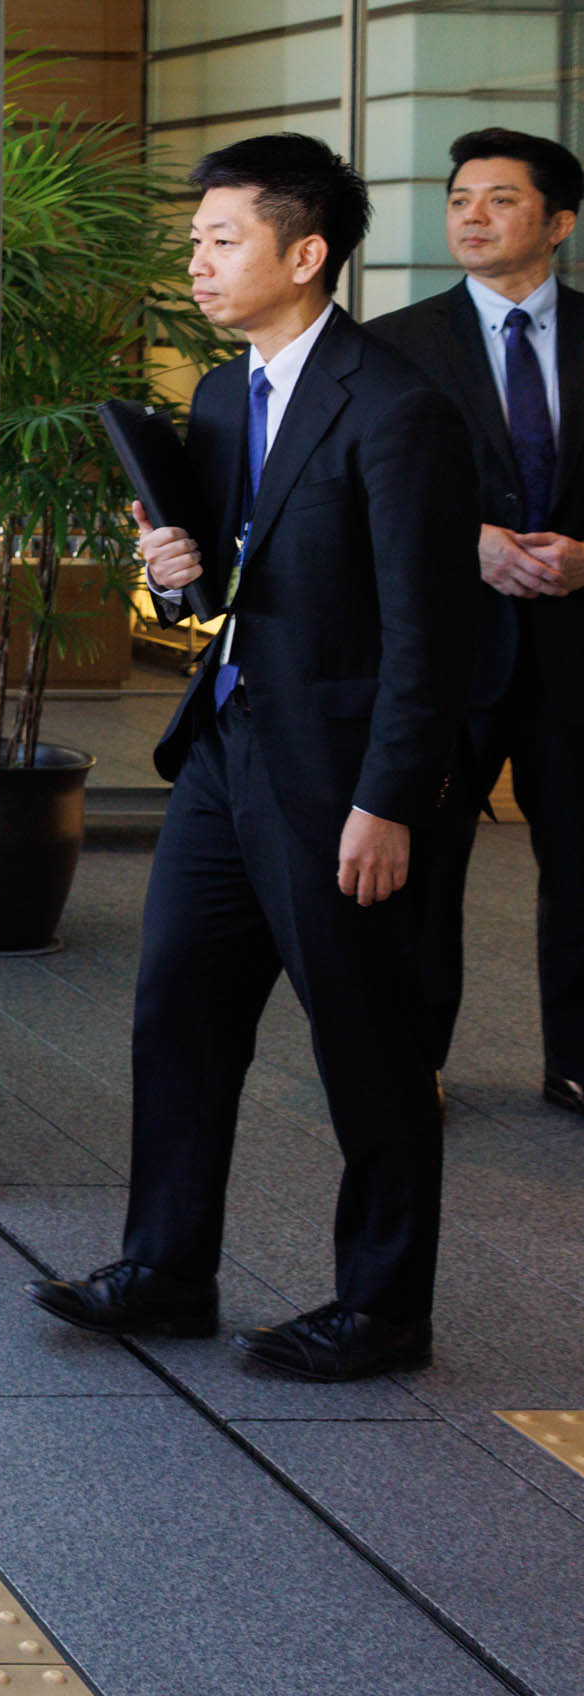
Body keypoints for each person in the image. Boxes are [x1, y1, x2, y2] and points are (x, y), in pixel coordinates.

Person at [25, 134, 477, 1381]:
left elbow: (430, 634)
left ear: (305, 252)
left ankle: (383, 1308)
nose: (198, 260)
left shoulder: (397, 409)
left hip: (342, 781)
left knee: (368, 1046)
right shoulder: (224, 397)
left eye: (221, 239)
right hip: (224, 753)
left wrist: (389, 800)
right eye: (196, 240)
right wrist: (173, 582)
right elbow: (225, 588)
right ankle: (168, 1269)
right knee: (177, 1011)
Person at [364, 128, 584, 1112]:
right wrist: (472, 544)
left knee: (580, 862)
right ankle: (414, 1062)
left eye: (497, 199)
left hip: (577, 653)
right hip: (450, 652)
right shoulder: (391, 346)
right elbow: (362, 501)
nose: (470, 216)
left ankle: (576, 1060)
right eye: (458, 200)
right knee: (426, 862)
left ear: (559, 222)